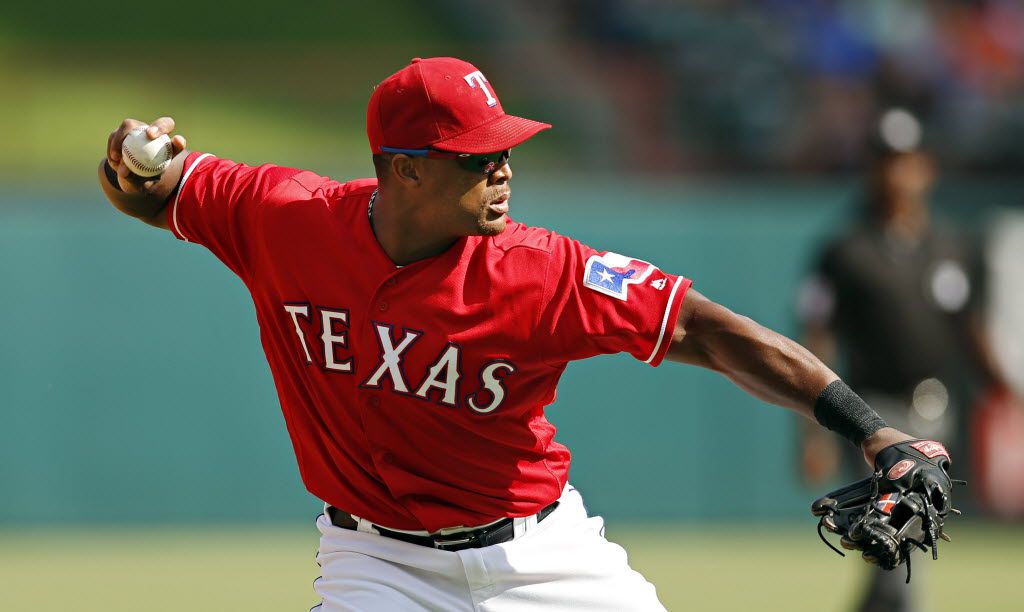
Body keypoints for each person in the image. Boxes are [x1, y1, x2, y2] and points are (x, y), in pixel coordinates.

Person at [100, 57, 929, 611]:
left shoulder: (541, 271)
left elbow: (706, 330)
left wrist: (870, 427)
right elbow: (158, 191)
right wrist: (131, 170)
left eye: (505, 151)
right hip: (379, 565)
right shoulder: (285, 218)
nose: (501, 169)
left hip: (540, 556)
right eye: (476, 156)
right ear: (405, 167)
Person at [798, 110, 1005, 612]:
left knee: (895, 543)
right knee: (898, 537)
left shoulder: (953, 246)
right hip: (874, 414)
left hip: (938, 412)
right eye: (885, 161)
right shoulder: (844, 250)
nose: (896, 173)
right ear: (870, 169)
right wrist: (814, 429)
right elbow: (817, 337)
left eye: (905, 161)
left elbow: (971, 330)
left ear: (925, 168)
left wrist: (1007, 392)